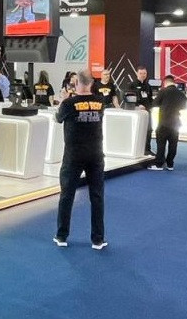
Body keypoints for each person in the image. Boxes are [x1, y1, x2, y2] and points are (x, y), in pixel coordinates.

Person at [54, 70, 107, 250]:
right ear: (91, 83)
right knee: (97, 196)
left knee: (67, 195)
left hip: (73, 155)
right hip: (95, 154)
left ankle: (61, 235)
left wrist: (63, 100)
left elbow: (58, 118)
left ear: (76, 83)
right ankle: (98, 239)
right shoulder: (100, 102)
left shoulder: (69, 103)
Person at [149, 75, 187, 171]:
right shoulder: (181, 93)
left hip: (164, 122)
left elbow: (155, 103)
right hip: (175, 123)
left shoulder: (163, 91)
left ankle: (159, 164)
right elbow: (184, 107)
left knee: (161, 144)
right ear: (173, 82)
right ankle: (170, 164)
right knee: (173, 144)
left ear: (165, 82)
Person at [127, 66, 155, 156]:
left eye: (144, 73)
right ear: (137, 73)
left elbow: (150, 98)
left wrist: (151, 106)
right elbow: (128, 98)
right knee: (137, 131)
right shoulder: (132, 85)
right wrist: (137, 105)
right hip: (137, 112)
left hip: (147, 112)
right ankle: (135, 149)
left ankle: (147, 149)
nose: (143, 75)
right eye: (141, 73)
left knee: (149, 130)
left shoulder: (148, 86)